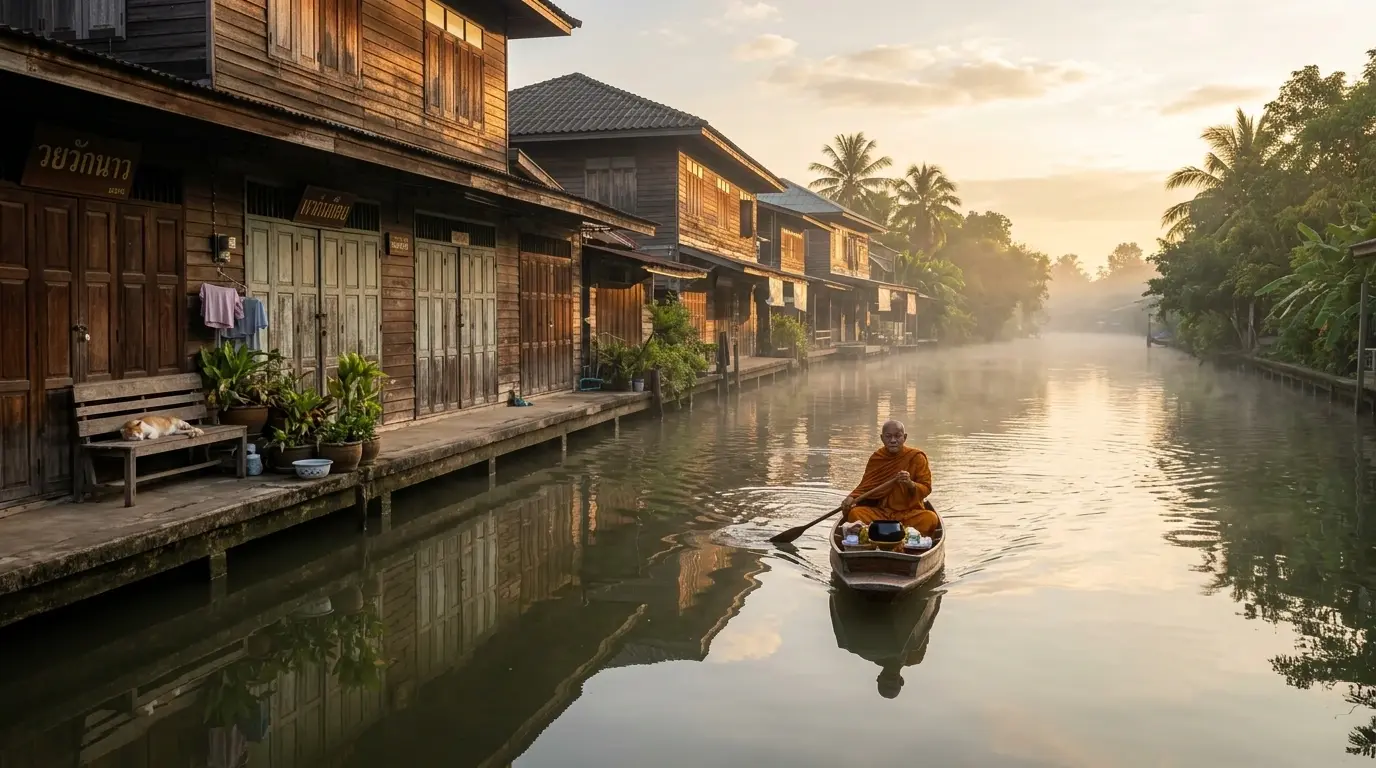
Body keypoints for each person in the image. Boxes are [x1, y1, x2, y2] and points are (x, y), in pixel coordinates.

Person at [841, 419, 937, 536]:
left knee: (930, 518)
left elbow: (926, 488)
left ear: (904, 437)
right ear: (882, 438)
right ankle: (900, 533)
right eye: (888, 436)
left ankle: (876, 532)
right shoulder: (877, 458)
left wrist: (910, 483)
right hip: (881, 514)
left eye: (897, 436)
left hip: (908, 514)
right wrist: (852, 497)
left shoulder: (916, 457)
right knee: (855, 514)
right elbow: (866, 486)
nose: (893, 440)